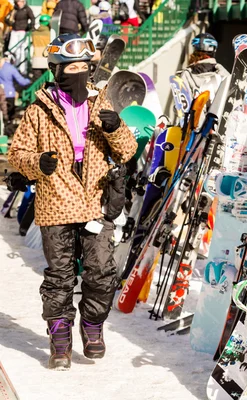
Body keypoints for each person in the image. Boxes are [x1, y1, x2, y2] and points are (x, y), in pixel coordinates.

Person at [7, 34, 137, 370]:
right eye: (70, 69)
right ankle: (59, 336)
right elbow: (16, 154)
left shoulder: (101, 101)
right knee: (60, 276)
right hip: (56, 203)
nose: (78, 76)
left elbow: (127, 150)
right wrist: (37, 163)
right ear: (55, 70)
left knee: (101, 272)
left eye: (84, 69)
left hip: (96, 201)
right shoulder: (39, 110)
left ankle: (92, 325)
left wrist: (116, 127)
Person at [182, 32, 229, 100]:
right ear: (214, 50)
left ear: (195, 49)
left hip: (196, 109)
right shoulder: (221, 71)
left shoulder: (186, 73)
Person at [5, 0, 34, 74]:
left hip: (23, 31)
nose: (19, 3)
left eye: (20, 1)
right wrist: (9, 21)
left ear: (24, 2)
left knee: (22, 50)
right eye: (17, 2)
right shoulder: (14, 9)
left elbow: (32, 18)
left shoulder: (27, 9)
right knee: (12, 49)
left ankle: (22, 69)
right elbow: (7, 19)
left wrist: (31, 28)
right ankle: (12, 67)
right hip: (14, 31)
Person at [0, 51, 30, 122]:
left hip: (1, 93)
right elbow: (22, 81)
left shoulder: (1, 67)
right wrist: (30, 80)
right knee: (9, 116)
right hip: (9, 94)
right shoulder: (11, 68)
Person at [31, 14, 52, 81]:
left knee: (37, 81)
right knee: (47, 82)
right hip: (46, 59)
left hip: (36, 59)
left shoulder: (34, 33)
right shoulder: (51, 34)